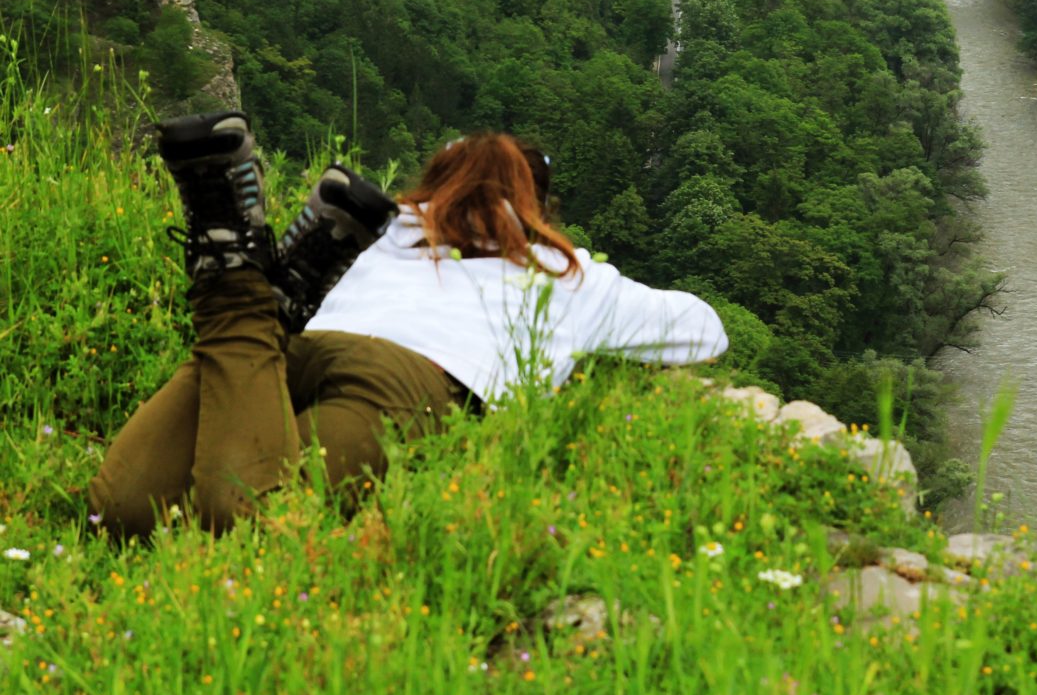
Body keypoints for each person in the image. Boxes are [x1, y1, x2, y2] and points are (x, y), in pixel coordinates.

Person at [90, 113, 727, 537]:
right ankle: (238, 285)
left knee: (118, 515)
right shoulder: (566, 273)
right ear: (535, 202)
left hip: (297, 349)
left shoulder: (388, 228)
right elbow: (705, 331)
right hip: (411, 382)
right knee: (255, 521)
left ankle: (261, 293)